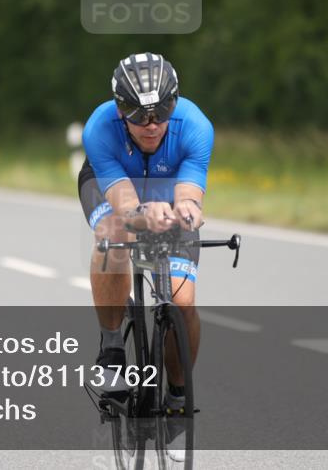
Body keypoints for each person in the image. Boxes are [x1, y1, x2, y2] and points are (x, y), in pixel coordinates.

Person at [78, 52, 213, 454]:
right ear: (121, 111)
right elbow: (123, 201)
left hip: (168, 190)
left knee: (183, 301)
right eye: (139, 115)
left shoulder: (196, 126)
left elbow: (189, 192)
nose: (152, 125)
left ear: (175, 102)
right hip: (112, 188)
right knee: (113, 232)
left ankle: (176, 399)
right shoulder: (99, 128)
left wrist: (187, 210)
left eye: (161, 113)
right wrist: (141, 214)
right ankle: (113, 347)